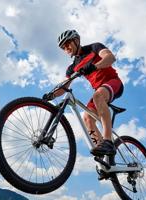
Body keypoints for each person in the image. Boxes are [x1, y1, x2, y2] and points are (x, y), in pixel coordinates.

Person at [51, 29, 124, 158]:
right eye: (63, 47)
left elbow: (110, 57)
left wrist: (95, 66)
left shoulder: (94, 47)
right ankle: (105, 158)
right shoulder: (72, 67)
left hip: (113, 82)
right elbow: (64, 86)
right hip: (99, 90)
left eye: (67, 44)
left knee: (98, 96)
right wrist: (52, 95)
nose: (66, 48)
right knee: (87, 118)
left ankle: (108, 141)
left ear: (76, 40)